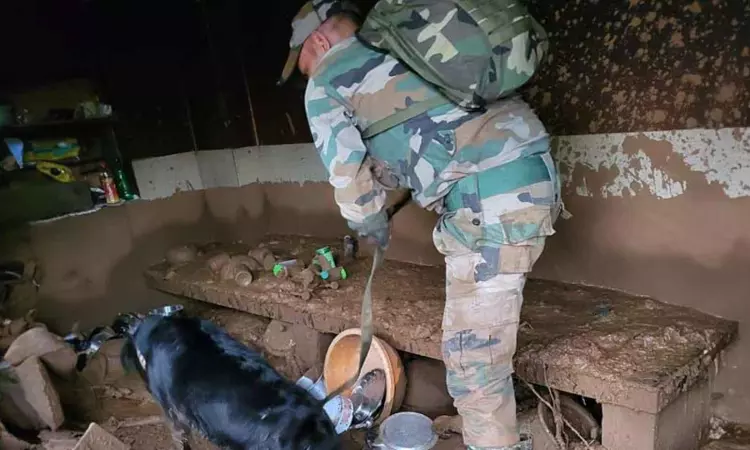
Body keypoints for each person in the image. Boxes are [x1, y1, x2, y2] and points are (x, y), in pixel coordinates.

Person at [278, 1, 565, 448]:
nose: (306, 76)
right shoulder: (403, 49)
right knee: (481, 347)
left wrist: (371, 224)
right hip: (528, 173)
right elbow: (418, 144)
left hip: (491, 201)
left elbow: (350, 186)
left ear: (319, 41)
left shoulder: (327, 83)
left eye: (304, 64)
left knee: (474, 363)